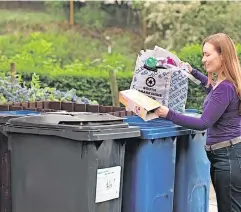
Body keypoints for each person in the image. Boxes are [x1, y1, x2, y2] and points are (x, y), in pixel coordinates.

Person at [155, 33, 241, 212]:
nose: (204, 59)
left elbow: (203, 122)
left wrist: (168, 113)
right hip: (227, 155)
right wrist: (193, 72)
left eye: (207, 54)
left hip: (228, 158)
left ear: (223, 55)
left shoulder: (224, 88)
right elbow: (212, 89)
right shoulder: (225, 84)